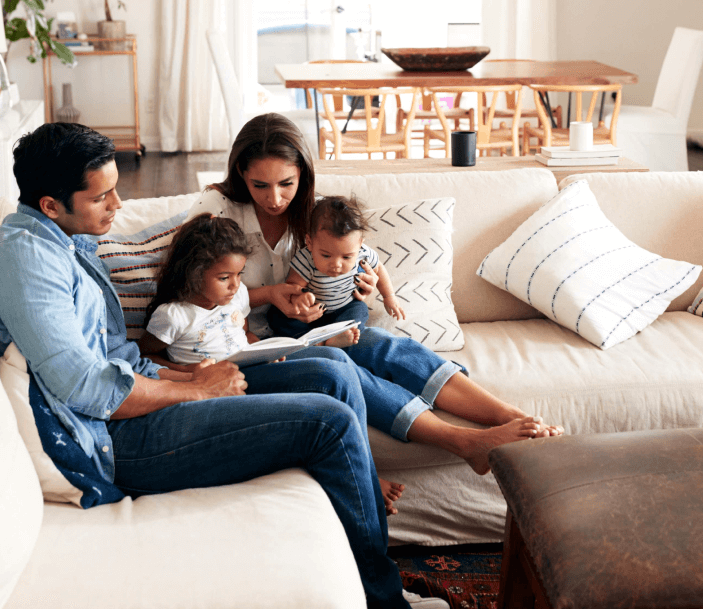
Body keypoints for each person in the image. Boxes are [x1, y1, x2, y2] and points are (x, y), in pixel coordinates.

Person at [0, 122, 493, 609]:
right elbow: (87, 389)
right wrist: (192, 390)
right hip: (117, 438)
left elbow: (112, 359)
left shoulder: (63, 239)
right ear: (50, 203)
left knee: (332, 367)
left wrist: (190, 377)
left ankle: (370, 580)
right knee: (328, 422)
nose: (120, 204)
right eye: (102, 196)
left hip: (143, 392)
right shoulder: (26, 261)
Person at [182, 112, 563, 475]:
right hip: (248, 345)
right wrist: (270, 294)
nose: (276, 199)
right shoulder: (217, 208)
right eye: (259, 185)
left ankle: (508, 416)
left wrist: (359, 288)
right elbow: (190, 287)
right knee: (342, 367)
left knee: (383, 345)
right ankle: (465, 443)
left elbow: (351, 264)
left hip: (310, 330)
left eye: (287, 183)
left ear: (303, 175)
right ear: (240, 175)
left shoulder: (315, 216)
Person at [137, 211, 404, 515]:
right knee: (327, 384)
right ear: (193, 272)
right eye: (225, 278)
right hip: (217, 387)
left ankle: (363, 473)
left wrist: (260, 347)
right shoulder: (174, 315)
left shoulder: (236, 297)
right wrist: (189, 374)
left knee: (337, 362)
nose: (235, 285)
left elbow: (243, 332)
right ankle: (364, 480)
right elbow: (146, 356)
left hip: (252, 368)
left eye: (240, 275)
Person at [267, 195, 404, 348]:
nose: (336, 264)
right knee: (277, 316)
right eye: (326, 255)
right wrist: (299, 300)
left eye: (346, 257)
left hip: (343, 310)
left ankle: (338, 337)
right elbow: (292, 287)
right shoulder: (306, 259)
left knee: (359, 309)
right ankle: (311, 342)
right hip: (310, 315)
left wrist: (389, 296)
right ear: (310, 243)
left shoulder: (363, 253)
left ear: (360, 245)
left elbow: (379, 269)